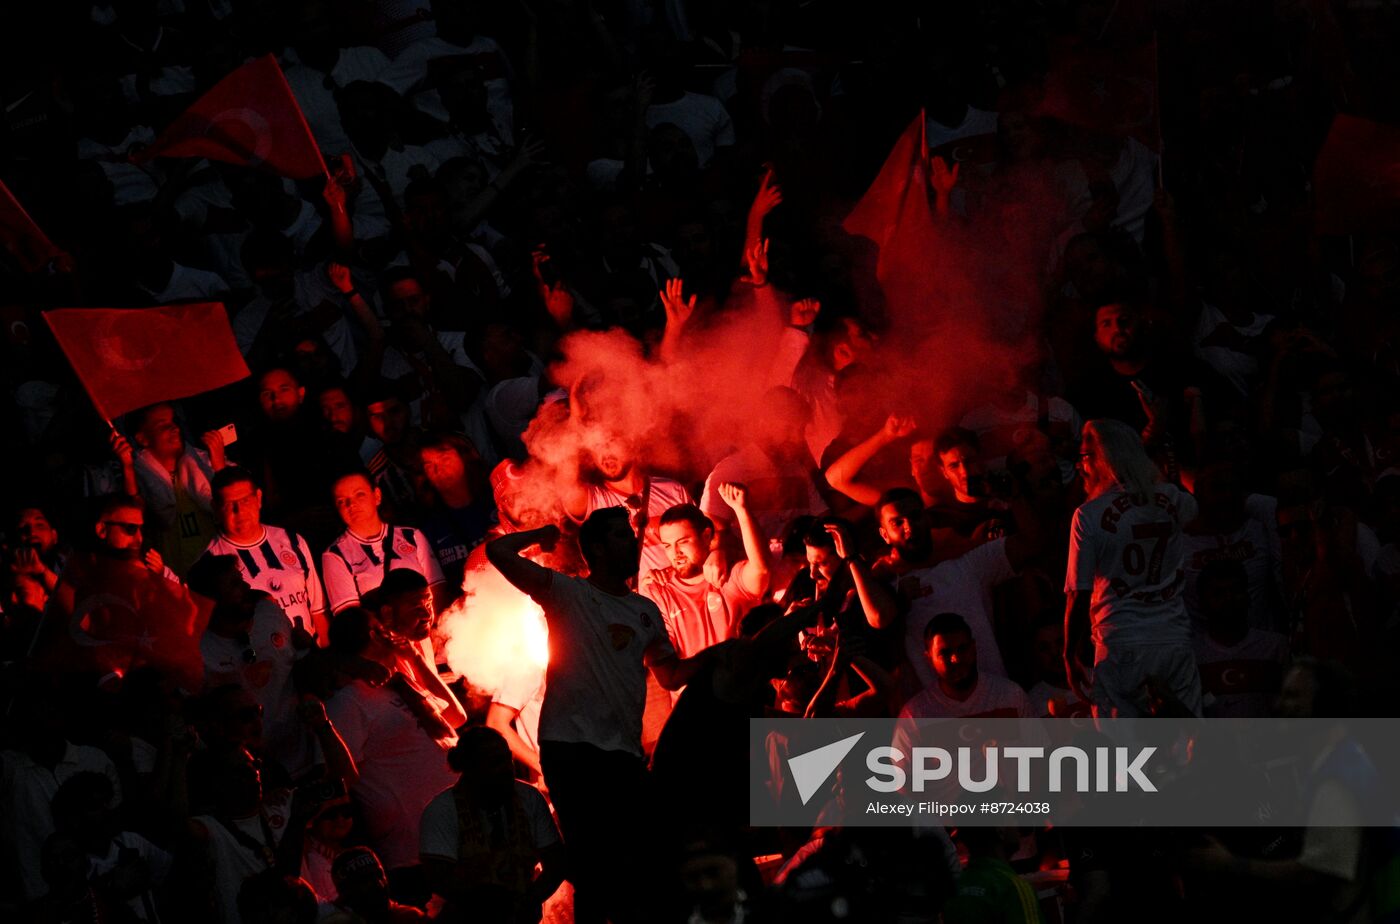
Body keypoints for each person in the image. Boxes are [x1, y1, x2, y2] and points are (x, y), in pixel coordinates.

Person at [486, 508, 719, 924]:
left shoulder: (643, 610)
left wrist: (718, 656)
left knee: (642, 855)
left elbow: (671, 675)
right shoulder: (566, 592)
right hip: (572, 750)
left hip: (622, 754)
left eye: (630, 535)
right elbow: (499, 551)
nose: (631, 542)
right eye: (619, 536)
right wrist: (541, 534)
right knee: (593, 863)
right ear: (595, 548)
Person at [1064, 419, 1203, 717]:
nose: (1080, 467)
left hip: (1120, 642)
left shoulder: (1088, 516)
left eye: (1085, 457)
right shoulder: (1172, 498)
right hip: (1173, 638)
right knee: (1189, 743)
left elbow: (1078, 593)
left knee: (1124, 752)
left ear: (1105, 458)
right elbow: (1199, 505)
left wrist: (1069, 653)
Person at [322, 607, 459, 881]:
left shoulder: (399, 681)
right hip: (416, 853)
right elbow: (344, 776)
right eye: (385, 629)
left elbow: (455, 716)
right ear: (375, 635)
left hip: (456, 836)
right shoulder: (349, 701)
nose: (394, 634)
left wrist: (416, 658)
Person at [419, 727, 565, 923]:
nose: (507, 768)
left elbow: (556, 863)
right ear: (470, 767)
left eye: (507, 758)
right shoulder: (441, 810)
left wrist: (526, 902)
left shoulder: (529, 798)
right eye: (495, 762)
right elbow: (439, 878)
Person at [204, 467, 329, 644]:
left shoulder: (293, 541)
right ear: (215, 509)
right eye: (229, 504)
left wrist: (326, 653)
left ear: (259, 498)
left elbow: (318, 611)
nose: (239, 511)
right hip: (261, 668)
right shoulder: (211, 562)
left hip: (309, 660)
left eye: (245, 500)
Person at [642, 487, 769, 661]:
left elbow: (760, 570)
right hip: (694, 687)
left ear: (706, 536)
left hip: (741, 685)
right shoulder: (659, 590)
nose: (675, 552)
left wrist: (742, 510)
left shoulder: (728, 575)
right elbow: (659, 653)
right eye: (667, 545)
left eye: (683, 542)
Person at [561, 424, 695, 576]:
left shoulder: (672, 490)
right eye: (596, 446)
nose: (605, 454)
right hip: (628, 600)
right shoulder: (595, 502)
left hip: (680, 596)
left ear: (632, 442)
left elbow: (701, 543)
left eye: (611, 442)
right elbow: (566, 484)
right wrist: (576, 421)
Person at [322, 470, 451, 615]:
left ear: (376, 496)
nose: (351, 504)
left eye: (359, 494)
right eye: (341, 501)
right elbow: (350, 617)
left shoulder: (411, 536)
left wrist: (436, 630)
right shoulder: (335, 555)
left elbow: (437, 587)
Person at [120, 402, 224, 575]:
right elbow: (131, 518)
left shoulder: (204, 465)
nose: (174, 428)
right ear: (142, 438)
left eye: (174, 421)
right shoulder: (137, 478)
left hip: (216, 575)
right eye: (163, 425)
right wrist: (127, 468)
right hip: (169, 579)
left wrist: (219, 466)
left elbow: (230, 504)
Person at [1191, 560, 1288, 718]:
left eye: (1235, 590)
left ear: (1248, 596)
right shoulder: (1193, 656)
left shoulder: (1276, 647)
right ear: (1202, 603)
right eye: (1218, 593)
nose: (1229, 598)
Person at [896, 613, 1033, 721]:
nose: (956, 659)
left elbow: (1038, 753)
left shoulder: (1010, 696)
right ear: (929, 659)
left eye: (962, 649)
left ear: (973, 648)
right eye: (945, 653)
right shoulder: (915, 716)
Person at [417, 431, 496, 586]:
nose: (438, 470)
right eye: (429, 465)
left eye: (444, 459)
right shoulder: (429, 527)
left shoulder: (497, 501)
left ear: (464, 457)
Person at [325, 847, 427, 922]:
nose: (378, 883)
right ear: (346, 891)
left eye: (379, 875)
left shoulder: (409, 919)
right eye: (366, 880)